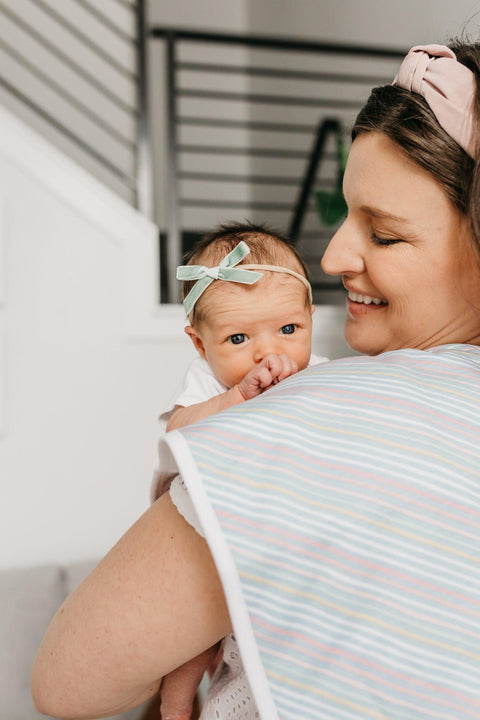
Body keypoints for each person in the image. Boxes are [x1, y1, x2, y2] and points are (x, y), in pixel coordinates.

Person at [32, 40, 480, 720]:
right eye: (345, 215)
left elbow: (69, 682)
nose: (331, 256)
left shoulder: (307, 418)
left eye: (383, 235)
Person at [152, 222, 327, 719]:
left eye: (289, 329)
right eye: (238, 337)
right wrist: (237, 398)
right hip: (200, 527)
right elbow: (177, 430)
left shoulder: (320, 374)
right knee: (193, 636)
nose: (267, 351)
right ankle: (176, 704)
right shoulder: (206, 382)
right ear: (199, 343)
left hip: (267, 528)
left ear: (310, 317)